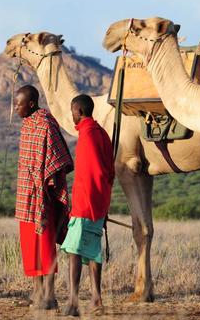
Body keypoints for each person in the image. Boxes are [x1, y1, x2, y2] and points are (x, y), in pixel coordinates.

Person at [14, 85, 73, 309]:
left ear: (30, 104)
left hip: (43, 196)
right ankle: (37, 293)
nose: (16, 108)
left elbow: (59, 161)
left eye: (19, 104)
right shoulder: (27, 125)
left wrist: (45, 184)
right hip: (25, 197)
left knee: (45, 247)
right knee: (31, 247)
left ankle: (50, 296)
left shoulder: (46, 124)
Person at [61, 94, 114, 317]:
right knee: (92, 251)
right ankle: (96, 299)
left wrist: (81, 204)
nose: (72, 116)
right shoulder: (100, 132)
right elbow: (108, 171)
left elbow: (90, 172)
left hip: (86, 202)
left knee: (73, 250)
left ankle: (73, 302)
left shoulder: (89, 134)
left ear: (79, 111)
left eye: (73, 111)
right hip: (99, 201)